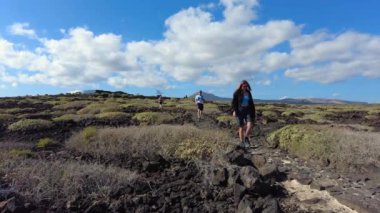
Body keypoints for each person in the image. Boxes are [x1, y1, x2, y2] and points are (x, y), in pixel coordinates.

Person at [231, 80, 256, 148]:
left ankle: (246, 137)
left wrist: (253, 112)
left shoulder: (248, 92)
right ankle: (242, 142)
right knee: (241, 127)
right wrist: (234, 111)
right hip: (240, 111)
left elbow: (251, 103)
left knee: (250, 124)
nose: (245, 87)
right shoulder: (236, 93)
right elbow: (234, 103)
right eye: (243, 86)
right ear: (241, 86)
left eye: (246, 86)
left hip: (248, 110)